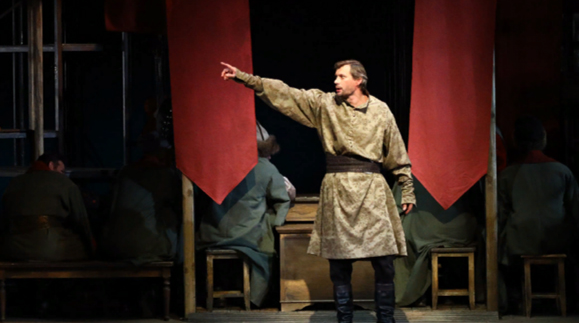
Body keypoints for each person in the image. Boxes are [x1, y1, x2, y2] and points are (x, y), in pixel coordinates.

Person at [221, 60, 415, 323]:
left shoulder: (381, 110)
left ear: (359, 80)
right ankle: (344, 319)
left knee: (383, 261)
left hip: (372, 189)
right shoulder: (325, 104)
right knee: (339, 264)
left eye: (342, 76)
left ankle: (386, 319)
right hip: (338, 189)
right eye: (335, 76)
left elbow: (397, 152)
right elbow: (286, 93)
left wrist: (407, 188)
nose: (335, 81)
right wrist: (245, 78)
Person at [197, 122, 293, 308]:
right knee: (269, 246)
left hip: (212, 233)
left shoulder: (218, 165)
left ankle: (217, 291)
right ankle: (255, 298)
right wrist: (276, 224)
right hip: (246, 236)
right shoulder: (266, 168)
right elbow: (282, 201)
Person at [498, 116, 579, 311]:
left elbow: (499, 214)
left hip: (520, 243)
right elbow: (575, 209)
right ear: (543, 138)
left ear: (515, 141)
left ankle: (511, 299)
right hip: (557, 240)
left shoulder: (507, 175)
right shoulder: (562, 171)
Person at [392, 177, 481, 306]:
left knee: (403, 237)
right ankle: (462, 290)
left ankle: (414, 294)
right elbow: (479, 204)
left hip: (421, 231)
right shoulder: (466, 172)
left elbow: (396, 206)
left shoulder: (412, 172)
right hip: (461, 232)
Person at [0, 152, 94, 261]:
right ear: (51, 165)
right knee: (81, 246)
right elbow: (81, 220)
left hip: (12, 248)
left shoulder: (14, 182)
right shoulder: (64, 182)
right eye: (62, 171)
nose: (63, 175)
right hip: (48, 248)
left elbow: (4, 218)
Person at [100, 147, 181, 264]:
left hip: (113, 246)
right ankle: (181, 264)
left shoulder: (125, 171)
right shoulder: (163, 174)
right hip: (146, 247)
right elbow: (179, 203)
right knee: (176, 217)